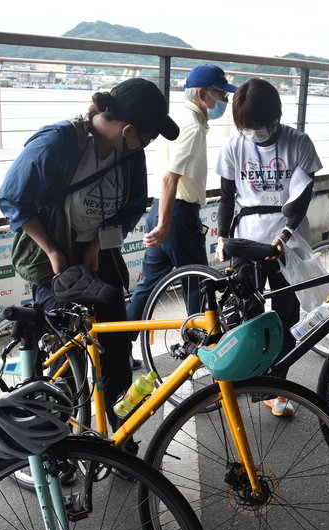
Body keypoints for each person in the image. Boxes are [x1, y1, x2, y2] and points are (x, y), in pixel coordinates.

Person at [0, 77, 178, 426]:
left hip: (99, 254)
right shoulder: (58, 142)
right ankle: (56, 441)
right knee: (66, 353)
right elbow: (12, 198)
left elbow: (134, 205)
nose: (147, 144)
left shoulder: (129, 155)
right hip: (53, 256)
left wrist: (97, 244)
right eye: (147, 137)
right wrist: (51, 250)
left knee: (115, 346)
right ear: (127, 130)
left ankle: (121, 432)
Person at [215, 78, 322, 417]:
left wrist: (286, 234)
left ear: (276, 116)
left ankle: (279, 386)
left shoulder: (299, 143)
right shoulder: (234, 146)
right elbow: (227, 195)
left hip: (287, 243)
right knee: (248, 314)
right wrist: (221, 238)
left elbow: (303, 197)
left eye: (259, 125)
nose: (254, 133)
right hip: (247, 240)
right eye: (246, 127)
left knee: (286, 314)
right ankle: (251, 381)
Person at [126, 65, 237, 365]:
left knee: (147, 288)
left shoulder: (188, 121)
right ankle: (201, 354)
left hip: (164, 212)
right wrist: (164, 224)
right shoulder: (190, 126)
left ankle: (117, 351)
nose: (223, 102)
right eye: (219, 95)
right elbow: (169, 178)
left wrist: (160, 221)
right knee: (199, 286)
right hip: (176, 215)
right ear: (202, 94)